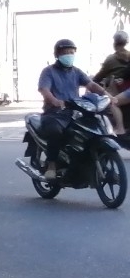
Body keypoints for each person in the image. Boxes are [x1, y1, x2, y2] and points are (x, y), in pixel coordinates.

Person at [38, 38, 112, 178]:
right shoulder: (48, 71)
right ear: (57, 55)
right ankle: (52, 164)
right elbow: (44, 89)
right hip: (54, 113)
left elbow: (91, 85)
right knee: (55, 131)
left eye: (71, 52)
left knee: (91, 128)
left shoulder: (76, 72)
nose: (69, 55)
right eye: (66, 52)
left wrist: (108, 96)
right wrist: (54, 100)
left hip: (74, 112)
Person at [92, 31, 130, 95]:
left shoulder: (111, 58)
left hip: (113, 93)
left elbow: (99, 77)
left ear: (114, 43)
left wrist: (91, 81)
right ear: (126, 43)